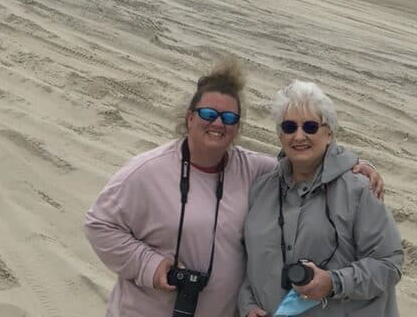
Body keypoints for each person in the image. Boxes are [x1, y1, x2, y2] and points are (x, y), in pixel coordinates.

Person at [84, 61, 383, 317]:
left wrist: (354, 164)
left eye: (229, 118)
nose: (218, 123)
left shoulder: (254, 170)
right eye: (208, 114)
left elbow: (303, 158)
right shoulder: (146, 171)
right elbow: (99, 224)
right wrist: (148, 265)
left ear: (237, 128)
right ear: (189, 118)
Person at [238, 80, 403, 317]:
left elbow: (390, 264)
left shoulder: (358, 190)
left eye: (311, 127)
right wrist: (248, 306)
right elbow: (248, 265)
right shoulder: (261, 190)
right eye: (289, 126)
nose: (299, 135)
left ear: (329, 133)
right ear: (279, 134)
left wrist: (333, 282)